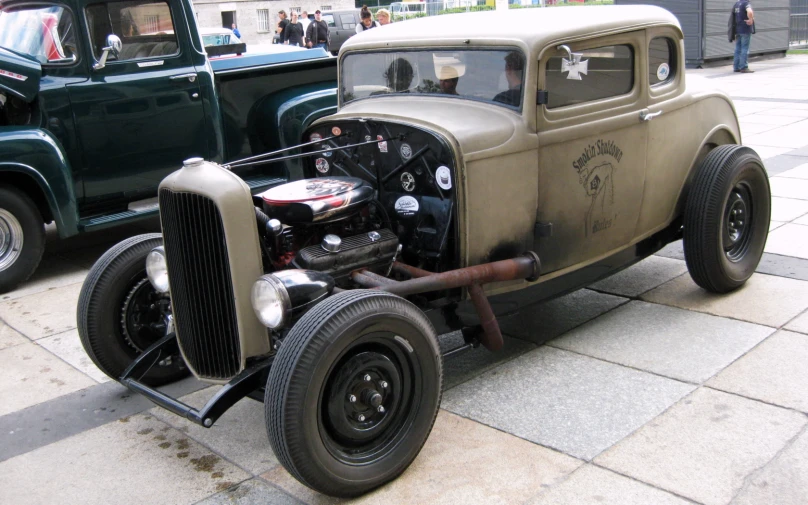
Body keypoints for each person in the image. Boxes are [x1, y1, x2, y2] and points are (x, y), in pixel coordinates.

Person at [732, 0, 755, 73]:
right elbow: (750, 11)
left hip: (737, 29)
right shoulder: (746, 3)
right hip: (745, 29)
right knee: (745, 48)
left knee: (738, 48)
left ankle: (736, 67)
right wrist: (751, 19)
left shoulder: (737, 4)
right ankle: (744, 67)